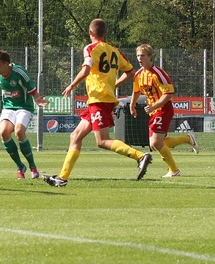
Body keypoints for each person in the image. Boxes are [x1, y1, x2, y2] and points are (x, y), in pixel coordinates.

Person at [43, 19, 153, 187]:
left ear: (90, 33)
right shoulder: (114, 51)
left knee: (102, 141)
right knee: (75, 136)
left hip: (99, 99)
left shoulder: (90, 48)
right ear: (105, 33)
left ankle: (139, 156)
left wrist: (72, 85)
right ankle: (62, 177)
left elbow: (86, 69)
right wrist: (114, 84)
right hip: (100, 99)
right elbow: (130, 71)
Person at [0, 50, 50, 180]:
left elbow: (32, 88)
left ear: (6, 64)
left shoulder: (19, 72)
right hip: (8, 108)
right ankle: (20, 166)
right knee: (4, 133)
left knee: (19, 132)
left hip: (24, 107)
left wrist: (37, 99)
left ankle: (33, 166)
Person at [129, 44, 199, 178]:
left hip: (163, 109)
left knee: (156, 143)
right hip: (154, 111)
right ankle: (187, 138)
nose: (139, 58)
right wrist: (132, 105)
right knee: (155, 144)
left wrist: (154, 106)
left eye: (142, 55)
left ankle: (174, 171)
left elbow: (169, 94)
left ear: (150, 57)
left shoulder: (158, 74)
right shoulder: (138, 74)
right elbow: (136, 91)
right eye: (138, 55)